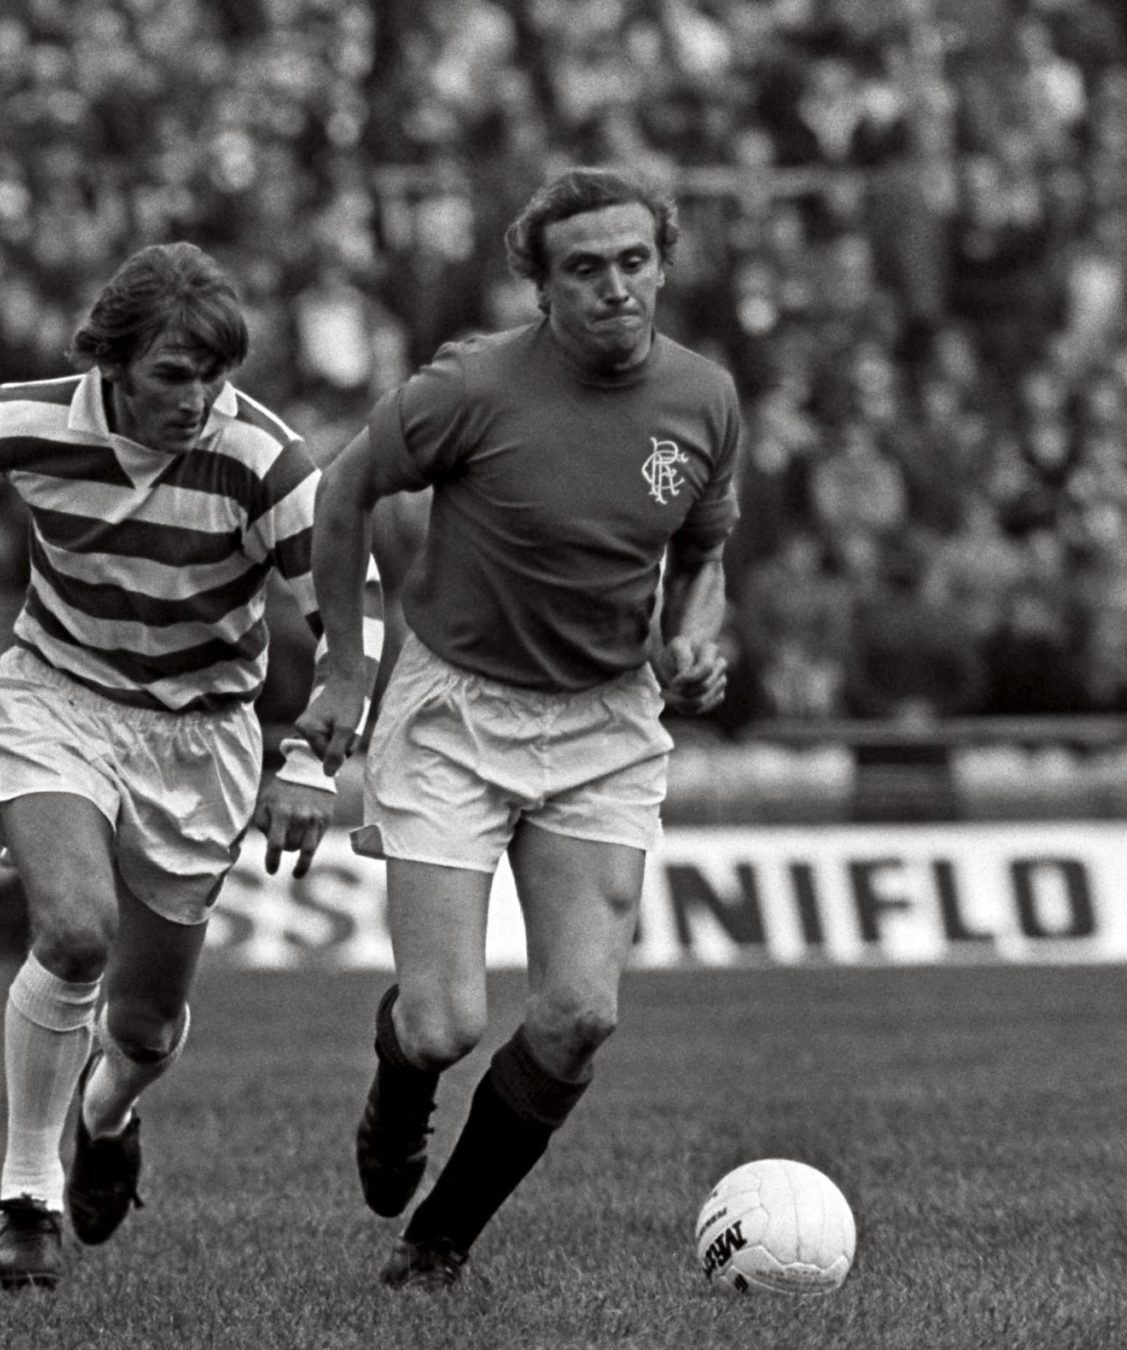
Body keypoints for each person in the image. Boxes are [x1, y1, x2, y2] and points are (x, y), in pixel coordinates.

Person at [0, 242, 379, 1292]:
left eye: (214, 374)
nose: (198, 398)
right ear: (109, 362)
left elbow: (354, 609)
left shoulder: (266, 460)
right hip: (56, 702)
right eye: (171, 374)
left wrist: (312, 759)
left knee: (146, 1024)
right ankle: (29, 1196)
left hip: (201, 740)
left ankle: (107, 1117)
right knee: (72, 930)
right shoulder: (19, 420)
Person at [294, 167, 738, 1291]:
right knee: (444, 1025)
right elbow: (341, 493)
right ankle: (399, 1090)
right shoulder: (470, 387)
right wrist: (343, 670)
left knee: (581, 1016)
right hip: (455, 711)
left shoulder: (705, 399)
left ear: (662, 264)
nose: (615, 288)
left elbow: (702, 555)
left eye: (634, 262)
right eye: (583, 268)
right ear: (539, 286)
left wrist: (694, 637)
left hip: (602, 722)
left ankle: (437, 1241)